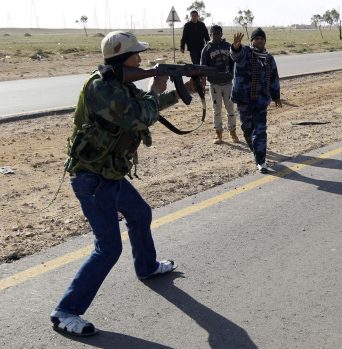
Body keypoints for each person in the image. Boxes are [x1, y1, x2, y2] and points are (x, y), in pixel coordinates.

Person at [51, 31, 186, 336]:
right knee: (108, 248)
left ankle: (147, 266)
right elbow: (139, 117)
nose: (141, 59)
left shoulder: (119, 84)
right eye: (136, 56)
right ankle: (65, 311)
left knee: (140, 214)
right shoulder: (102, 88)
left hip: (109, 174)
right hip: (93, 179)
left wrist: (183, 89)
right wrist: (156, 84)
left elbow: (148, 105)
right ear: (124, 60)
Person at [230, 28, 282, 174]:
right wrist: (235, 46)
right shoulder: (245, 52)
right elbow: (235, 54)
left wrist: (276, 95)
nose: (259, 41)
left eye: (262, 39)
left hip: (261, 101)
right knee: (247, 130)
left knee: (260, 131)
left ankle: (261, 161)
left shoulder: (269, 58)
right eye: (256, 39)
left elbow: (273, 77)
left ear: (265, 41)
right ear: (252, 41)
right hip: (244, 100)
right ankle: (256, 151)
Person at [201, 25, 239, 144]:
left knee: (230, 109)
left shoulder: (228, 46)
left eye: (218, 33)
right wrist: (202, 79)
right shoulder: (207, 49)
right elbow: (203, 66)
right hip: (214, 84)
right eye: (214, 33)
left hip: (228, 83)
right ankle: (218, 134)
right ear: (210, 34)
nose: (216, 35)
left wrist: (232, 74)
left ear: (221, 34)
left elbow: (234, 61)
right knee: (216, 110)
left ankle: (233, 132)